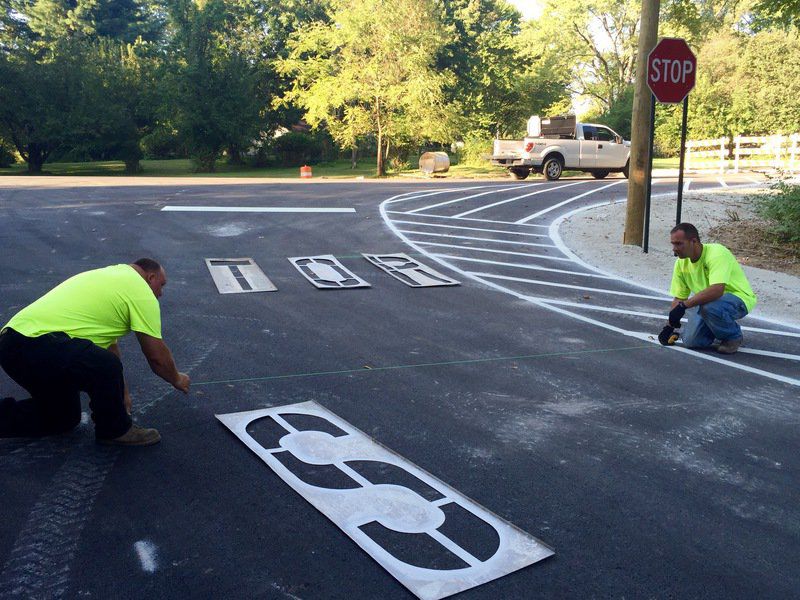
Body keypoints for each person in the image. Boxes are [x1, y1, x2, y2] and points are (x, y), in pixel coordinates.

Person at [0, 259, 190, 445]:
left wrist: (120, 394)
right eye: (161, 285)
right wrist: (176, 378)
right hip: (34, 341)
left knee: (63, 417)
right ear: (150, 277)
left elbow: (109, 349)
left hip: (12, 345)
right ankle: (115, 430)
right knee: (106, 365)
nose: (161, 293)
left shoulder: (112, 279)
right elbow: (156, 357)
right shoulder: (140, 291)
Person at [659, 223, 757, 354]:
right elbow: (679, 297)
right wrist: (669, 326)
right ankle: (716, 327)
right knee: (691, 341)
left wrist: (684, 306)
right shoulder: (680, 264)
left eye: (678, 244)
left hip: (737, 299)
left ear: (693, 241)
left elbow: (717, 290)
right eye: (673, 244)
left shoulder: (717, 253)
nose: (674, 248)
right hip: (706, 303)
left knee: (711, 308)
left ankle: (732, 337)